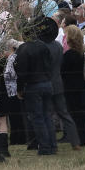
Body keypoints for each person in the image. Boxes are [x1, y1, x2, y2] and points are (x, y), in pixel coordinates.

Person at [13, 18, 55, 155]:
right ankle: (52, 145)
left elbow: (21, 72)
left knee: (37, 118)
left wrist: (19, 89)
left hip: (33, 85)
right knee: (47, 116)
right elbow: (50, 65)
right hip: (47, 83)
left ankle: (44, 147)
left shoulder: (23, 49)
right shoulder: (44, 46)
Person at [42, 18, 80, 150]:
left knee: (48, 114)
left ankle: (52, 143)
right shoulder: (58, 46)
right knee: (64, 114)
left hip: (46, 82)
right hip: (58, 82)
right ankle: (75, 142)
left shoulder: (43, 47)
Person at [61, 25, 85, 146]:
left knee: (73, 113)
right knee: (79, 114)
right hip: (79, 85)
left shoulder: (68, 55)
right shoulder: (80, 53)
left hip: (70, 87)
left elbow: (62, 71)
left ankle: (75, 138)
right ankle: (81, 138)